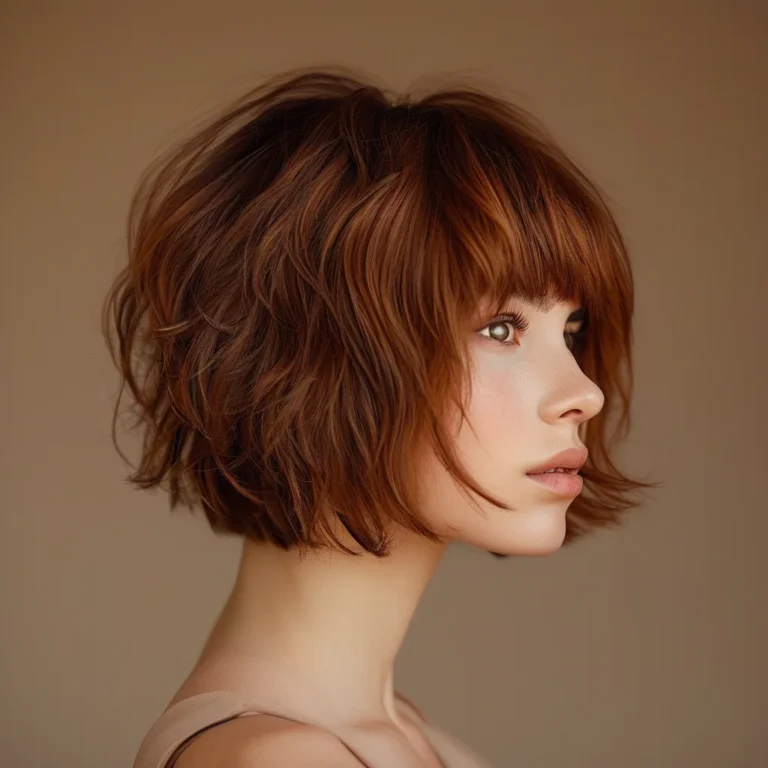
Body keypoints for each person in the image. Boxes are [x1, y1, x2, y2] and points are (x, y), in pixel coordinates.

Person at [102, 65, 658, 767]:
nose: (584, 393)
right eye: (501, 329)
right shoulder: (281, 760)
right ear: (318, 356)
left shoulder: (400, 740)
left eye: (571, 331)